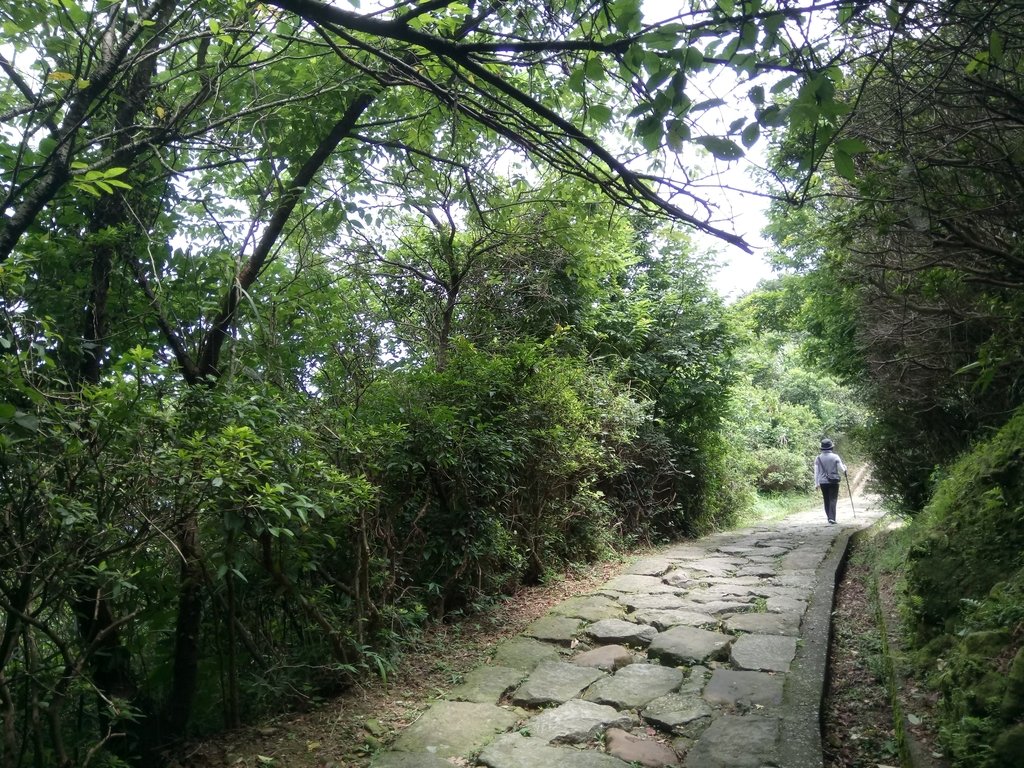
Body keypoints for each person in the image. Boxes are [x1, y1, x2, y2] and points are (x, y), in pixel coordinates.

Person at [814, 438, 847, 524]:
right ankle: (832, 518)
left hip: (822, 482)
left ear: (822, 448)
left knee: (826, 499)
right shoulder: (835, 457)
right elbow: (841, 470)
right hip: (833, 481)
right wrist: (845, 468)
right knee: (833, 499)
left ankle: (829, 517)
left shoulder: (818, 458)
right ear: (831, 447)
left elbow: (816, 472)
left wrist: (816, 483)